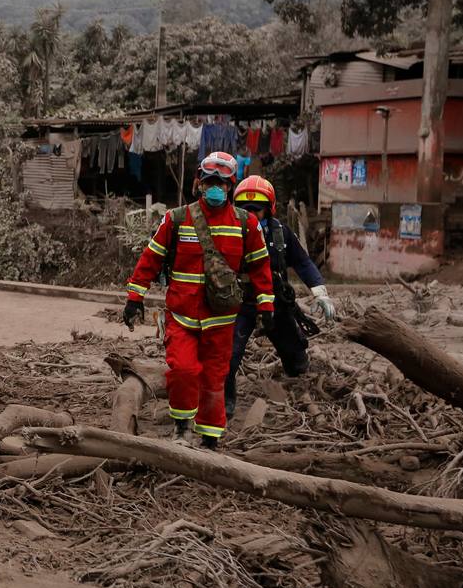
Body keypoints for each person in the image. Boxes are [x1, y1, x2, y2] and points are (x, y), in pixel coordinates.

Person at [122, 152, 275, 448]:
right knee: (183, 370)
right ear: (199, 184)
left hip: (221, 320)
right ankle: (181, 428)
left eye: (222, 183)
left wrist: (266, 306)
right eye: (210, 182)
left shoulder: (247, 224)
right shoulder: (177, 219)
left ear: (231, 186)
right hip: (182, 316)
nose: (215, 187)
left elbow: (260, 268)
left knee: (215, 379)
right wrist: (134, 298)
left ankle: (210, 439)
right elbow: (150, 259)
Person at [225, 175, 335, 418]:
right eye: (245, 208)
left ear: (269, 209)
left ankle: (299, 386)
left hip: (275, 303)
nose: (251, 214)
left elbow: (303, 263)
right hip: (241, 305)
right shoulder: (227, 233)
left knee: (295, 354)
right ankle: (225, 405)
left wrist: (320, 293)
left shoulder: (280, 234)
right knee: (229, 356)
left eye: (257, 209)